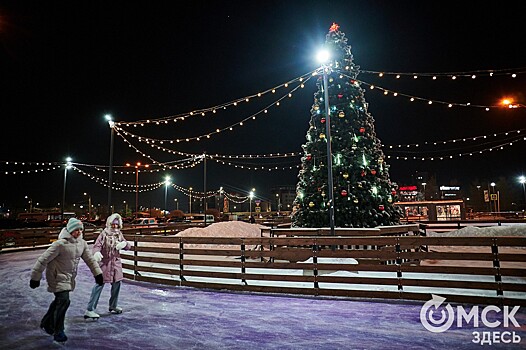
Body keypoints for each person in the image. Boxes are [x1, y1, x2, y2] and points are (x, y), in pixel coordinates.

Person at [30, 218, 103, 343]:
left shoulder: (82, 244)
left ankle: (47, 322)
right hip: (56, 276)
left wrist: (98, 274)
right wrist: (35, 278)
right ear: (70, 230)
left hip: (69, 277)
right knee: (64, 301)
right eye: (76, 229)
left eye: (81, 229)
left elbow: (90, 260)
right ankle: (58, 330)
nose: (79, 232)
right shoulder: (59, 244)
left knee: (59, 301)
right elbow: (43, 260)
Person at [84, 213, 130, 319]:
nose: (115, 227)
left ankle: (113, 305)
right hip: (105, 264)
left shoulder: (119, 234)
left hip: (116, 264)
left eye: (117, 225)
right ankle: (90, 309)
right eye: (113, 224)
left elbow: (128, 246)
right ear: (109, 224)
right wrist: (96, 253)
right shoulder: (103, 234)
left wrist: (124, 244)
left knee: (117, 284)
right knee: (99, 285)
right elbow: (97, 246)